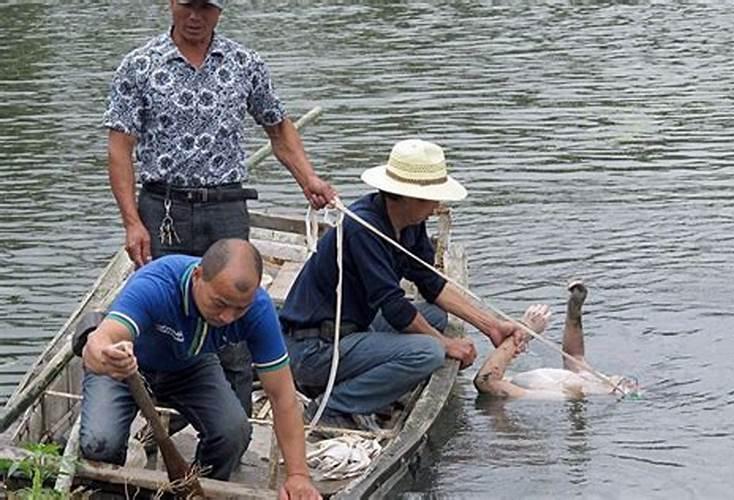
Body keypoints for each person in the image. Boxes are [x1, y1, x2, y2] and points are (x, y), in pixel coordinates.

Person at [103, 0, 335, 421]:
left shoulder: (245, 62)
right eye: (188, 6)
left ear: (220, 11)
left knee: (232, 313)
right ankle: (151, 419)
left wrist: (309, 180)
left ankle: (235, 424)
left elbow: (278, 128)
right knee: (162, 311)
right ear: (172, 4)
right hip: (164, 206)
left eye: (207, 8)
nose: (196, 17)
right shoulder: (139, 65)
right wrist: (132, 222)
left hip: (226, 205)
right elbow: (120, 149)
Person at [279, 139, 528, 427]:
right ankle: (333, 407)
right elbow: (394, 306)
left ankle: (370, 387)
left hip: (353, 327)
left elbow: (431, 282)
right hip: (314, 348)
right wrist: (446, 344)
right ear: (408, 196)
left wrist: (491, 326)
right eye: (432, 198)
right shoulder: (364, 229)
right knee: (429, 352)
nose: (437, 206)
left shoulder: (409, 223)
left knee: (435, 315)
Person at [79, 239, 320, 498]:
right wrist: (105, 355)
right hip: (126, 367)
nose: (227, 317)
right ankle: (109, 491)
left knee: (233, 434)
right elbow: (98, 344)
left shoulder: (258, 310)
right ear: (197, 276)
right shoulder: (156, 284)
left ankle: (196, 489)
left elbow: (282, 395)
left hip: (191, 365)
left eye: (239, 308)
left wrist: (298, 476)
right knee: (100, 444)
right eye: (219, 303)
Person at [473, 281, 639, 399]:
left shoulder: (559, 394)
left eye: (626, 384)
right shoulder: (588, 381)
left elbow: (486, 382)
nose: (629, 382)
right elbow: (574, 356)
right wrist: (574, 309)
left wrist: (526, 330)